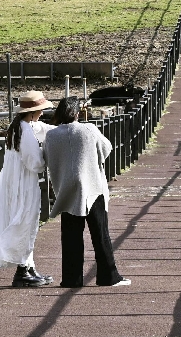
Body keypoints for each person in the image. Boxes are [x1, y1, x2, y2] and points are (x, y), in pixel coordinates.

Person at [43, 97, 129, 288]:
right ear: (77, 113)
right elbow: (106, 148)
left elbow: (46, 158)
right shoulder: (89, 129)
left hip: (66, 190)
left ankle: (71, 279)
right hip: (92, 187)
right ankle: (108, 276)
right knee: (100, 234)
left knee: (70, 237)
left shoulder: (51, 135)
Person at [0, 90, 56, 287]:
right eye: (39, 111)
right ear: (32, 112)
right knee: (26, 220)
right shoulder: (25, 131)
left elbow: (44, 128)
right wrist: (46, 155)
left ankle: (29, 266)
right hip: (24, 182)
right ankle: (22, 270)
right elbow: (34, 162)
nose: (41, 114)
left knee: (26, 220)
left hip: (16, 179)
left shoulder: (21, 126)